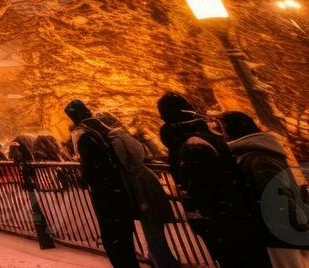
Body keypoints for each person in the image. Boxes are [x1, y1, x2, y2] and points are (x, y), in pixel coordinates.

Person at [158, 92, 272, 268]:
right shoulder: (200, 140)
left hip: (225, 225)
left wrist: (203, 221)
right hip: (234, 222)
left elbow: (206, 194)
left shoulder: (190, 145)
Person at [221, 111, 309, 268]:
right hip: (281, 234)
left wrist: (300, 231)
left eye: (220, 129)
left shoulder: (258, 158)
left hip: (282, 237)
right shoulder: (255, 154)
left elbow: (280, 199)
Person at [65, 100, 144, 268]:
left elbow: (93, 172)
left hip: (106, 196)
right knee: (125, 239)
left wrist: (82, 176)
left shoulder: (87, 137)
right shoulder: (106, 130)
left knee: (115, 244)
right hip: (122, 190)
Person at [97, 112, 182, 268]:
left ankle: (163, 261)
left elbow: (122, 160)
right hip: (145, 181)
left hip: (139, 185)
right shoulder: (125, 136)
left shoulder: (115, 139)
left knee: (151, 226)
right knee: (154, 226)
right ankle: (162, 259)